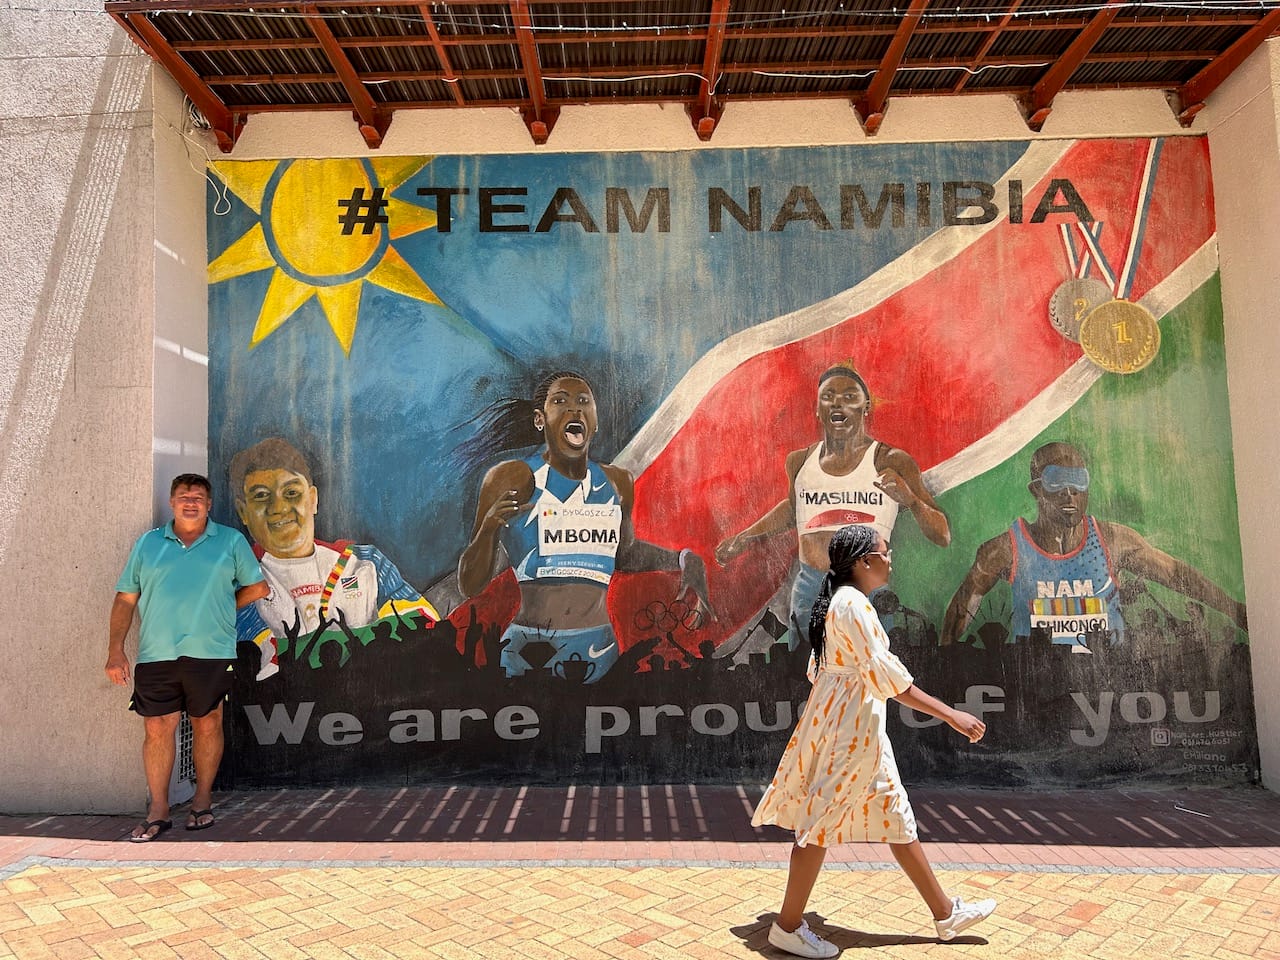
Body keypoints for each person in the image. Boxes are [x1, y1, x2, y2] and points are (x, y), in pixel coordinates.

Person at [752, 524, 996, 957]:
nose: (891, 557)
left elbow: (827, 671)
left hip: (856, 728)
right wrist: (951, 715)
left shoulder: (841, 602)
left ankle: (945, 914)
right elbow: (891, 682)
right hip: (849, 733)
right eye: (886, 551)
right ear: (864, 562)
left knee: (896, 814)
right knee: (818, 825)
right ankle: (787, 927)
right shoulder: (852, 607)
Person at [456, 370, 711, 681]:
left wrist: (686, 560)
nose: (574, 409)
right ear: (540, 419)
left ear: (595, 420)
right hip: (528, 651)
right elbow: (470, 586)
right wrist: (488, 530)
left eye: (583, 401)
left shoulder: (618, 483)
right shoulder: (511, 478)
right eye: (560, 401)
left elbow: (624, 553)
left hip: (598, 647)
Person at [717, 363, 949, 647]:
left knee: (867, 686)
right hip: (810, 590)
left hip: (865, 588)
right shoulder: (799, 462)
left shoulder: (890, 460)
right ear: (818, 409)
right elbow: (793, 509)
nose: (838, 402)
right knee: (809, 684)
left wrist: (911, 501)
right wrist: (744, 538)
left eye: (850, 396)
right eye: (829, 396)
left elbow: (943, 535)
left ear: (866, 409)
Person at [941, 441, 1248, 650]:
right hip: (1036, 680)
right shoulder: (1005, 550)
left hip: (1109, 679)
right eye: (1057, 482)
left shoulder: (1113, 541)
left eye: (1078, 482)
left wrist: (1236, 611)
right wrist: (943, 668)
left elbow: (1177, 576)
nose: (1069, 494)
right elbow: (960, 611)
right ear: (1037, 490)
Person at [105, 473, 268, 841]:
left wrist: (222, 608)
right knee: (157, 728)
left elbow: (257, 587)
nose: (191, 501)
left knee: (207, 723)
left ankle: (202, 801)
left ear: (209, 505)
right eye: (183, 496)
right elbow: (125, 598)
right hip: (156, 653)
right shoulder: (148, 544)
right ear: (172, 502)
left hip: (211, 652)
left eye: (198, 496)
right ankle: (159, 810)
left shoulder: (230, 541)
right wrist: (115, 650)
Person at [229, 437, 439, 680]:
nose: (279, 507)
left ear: (313, 499)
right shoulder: (236, 582)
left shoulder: (366, 562)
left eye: (291, 492)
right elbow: (259, 660)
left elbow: (424, 627)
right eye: (262, 496)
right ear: (243, 512)